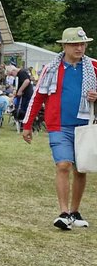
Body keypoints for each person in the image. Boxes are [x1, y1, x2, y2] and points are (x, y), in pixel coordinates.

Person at [22, 27, 97, 230]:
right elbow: (38, 96)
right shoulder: (51, 68)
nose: (79, 48)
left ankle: (75, 212)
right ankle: (63, 213)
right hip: (59, 126)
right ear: (64, 46)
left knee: (81, 170)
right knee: (63, 165)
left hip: (85, 126)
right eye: (74, 44)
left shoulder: (94, 67)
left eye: (82, 44)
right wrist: (27, 125)